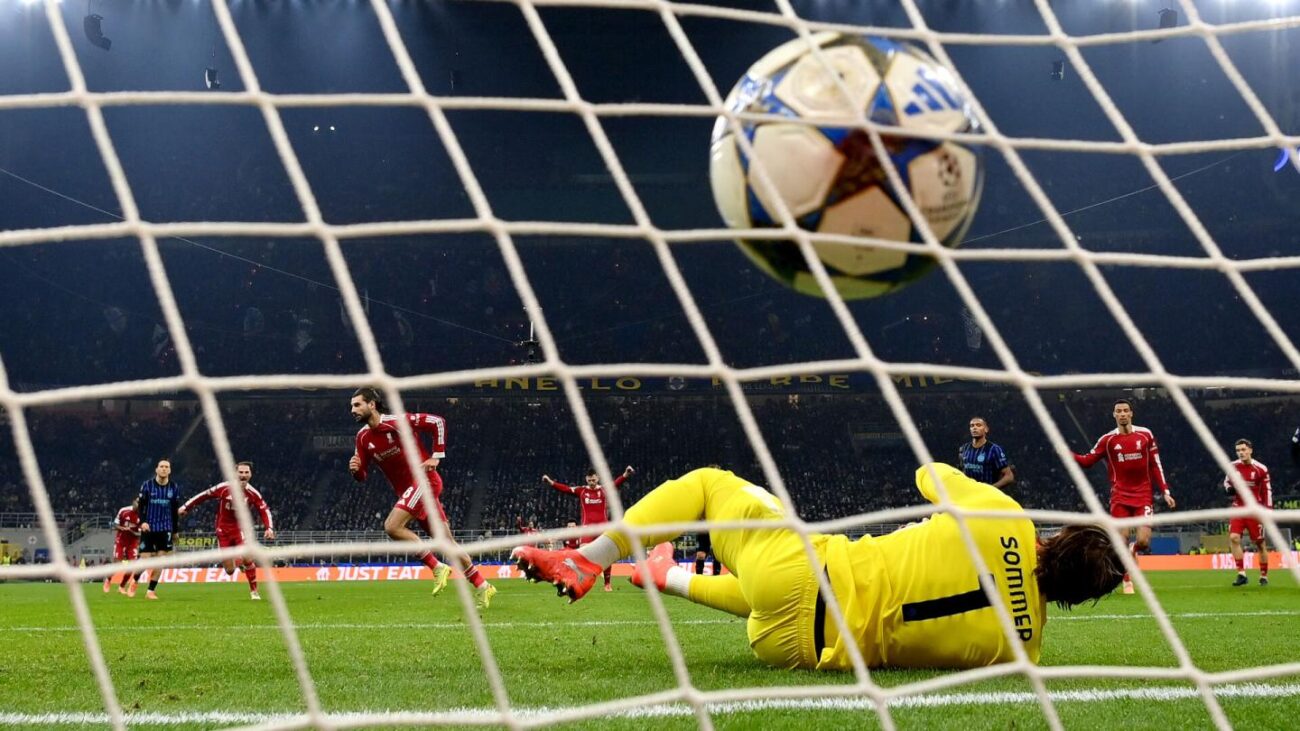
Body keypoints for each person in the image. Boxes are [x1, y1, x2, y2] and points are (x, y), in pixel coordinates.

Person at [513, 464, 1123, 671]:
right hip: (792, 649)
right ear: (1080, 597)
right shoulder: (1024, 648)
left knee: (707, 485)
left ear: (1061, 535)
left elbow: (929, 475)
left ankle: (588, 558)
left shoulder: (1005, 517)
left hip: (802, 575)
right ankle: (664, 575)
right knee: (774, 596)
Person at [348, 387, 496, 609]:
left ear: (372, 404)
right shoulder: (362, 438)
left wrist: (437, 456)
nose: (353, 410)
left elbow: (437, 422)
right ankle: (484, 586)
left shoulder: (396, 422)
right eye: (351, 406)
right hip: (410, 491)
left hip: (425, 482)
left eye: (357, 404)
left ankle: (436, 567)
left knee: (392, 526)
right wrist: (356, 470)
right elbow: (362, 476)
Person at [1073, 399, 1175, 595]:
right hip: (1120, 496)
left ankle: (1133, 550)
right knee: (1121, 541)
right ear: (1114, 415)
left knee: (1143, 542)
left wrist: (1165, 491)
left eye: (1125, 410)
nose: (1122, 414)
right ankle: (1127, 579)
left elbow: (1155, 464)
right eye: (1118, 411)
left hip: (1143, 495)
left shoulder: (1145, 435)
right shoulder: (1108, 440)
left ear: (1131, 413)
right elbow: (1087, 461)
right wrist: (1066, 453)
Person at [178, 461, 276, 600]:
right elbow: (204, 495)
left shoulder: (253, 493)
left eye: (246, 472)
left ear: (250, 474)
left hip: (240, 529)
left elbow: (264, 510)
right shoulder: (224, 488)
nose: (243, 475)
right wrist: (186, 507)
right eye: (240, 472)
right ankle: (239, 562)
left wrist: (269, 528)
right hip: (222, 530)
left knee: (247, 557)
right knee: (229, 571)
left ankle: (254, 591)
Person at [541, 465, 634, 592]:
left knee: (607, 555)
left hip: (603, 528)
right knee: (583, 553)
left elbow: (616, 484)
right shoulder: (582, 491)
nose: (592, 482)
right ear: (586, 479)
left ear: (598, 478)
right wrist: (550, 482)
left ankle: (607, 583)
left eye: (594, 480)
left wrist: (626, 474)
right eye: (589, 480)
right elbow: (565, 489)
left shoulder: (604, 490)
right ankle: (581, 580)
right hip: (587, 528)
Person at [1223, 439, 1272, 587]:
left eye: (1243, 450)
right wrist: (1228, 489)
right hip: (1238, 507)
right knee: (1234, 538)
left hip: (1255, 510)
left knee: (1260, 544)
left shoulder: (1261, 469)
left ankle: (1263, 575)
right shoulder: (1232, 466)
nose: (1241, 453)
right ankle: (1241, 574)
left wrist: (1268, 511)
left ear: (1250, 450)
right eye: (1238, 450)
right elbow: (1227, 482)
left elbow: (1267, 491)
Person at [136, 459, 184, 600]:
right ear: (156, 469)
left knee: (161, 560)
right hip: (149, 528)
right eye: (161, 466)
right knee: (145, 560)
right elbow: (141, 506)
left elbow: (174, 511)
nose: (164, 469)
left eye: (166, 467)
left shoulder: (174, 487)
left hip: (165, 528)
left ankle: (150, 591)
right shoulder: (147, 485)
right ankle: (135, 579)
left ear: (170, 470)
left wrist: (175, 531)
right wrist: (143, 522)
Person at [958, 417, 1014, 492]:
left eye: (978, 425)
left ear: (986, 429)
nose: (974, 428)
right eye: (972, 425)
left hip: (986, 496)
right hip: (968, 494)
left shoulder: (994, 449)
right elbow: (961, 471)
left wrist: (990, 489)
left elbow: (1009, 476)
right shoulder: (964, 448)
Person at [104, 497, 144, 597]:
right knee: (117, 563)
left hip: (132, 543)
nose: (138, 504)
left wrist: (132, 532)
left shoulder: (143, 515)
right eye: (137, 502)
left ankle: (121, 587)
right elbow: (115, 524)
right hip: (120, 541)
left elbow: (140, 534)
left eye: (141, 503)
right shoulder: (123, 510)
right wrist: (122, 528)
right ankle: (108, 580)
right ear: (133, 502)